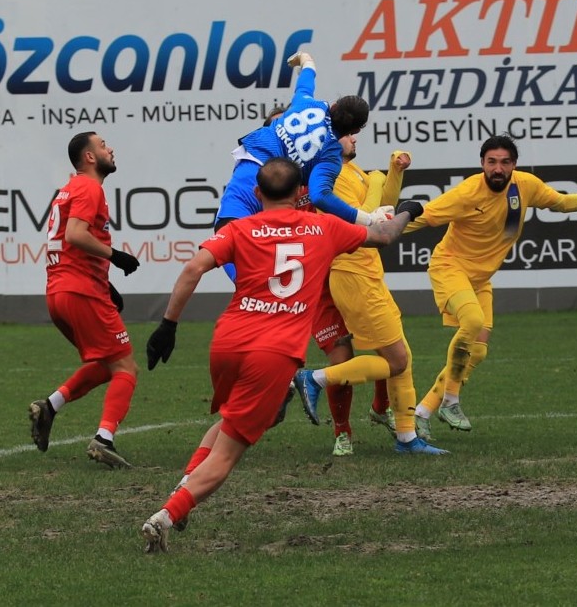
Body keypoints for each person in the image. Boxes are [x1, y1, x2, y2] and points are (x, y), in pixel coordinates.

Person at [138, 156, 422, 553]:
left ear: (257, 194)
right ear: (300, 193)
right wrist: (410, 209)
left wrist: (168, 325)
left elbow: (192, 269)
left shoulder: (239, 227)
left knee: (232, 420)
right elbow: (385, 235)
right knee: (229, 452)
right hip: (273, 352)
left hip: (228, 342)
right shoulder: (323, 226)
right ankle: (166, 515)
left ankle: (183, 493)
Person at [407, 135, 577, 440]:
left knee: (478, 352)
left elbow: (561, 203)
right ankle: (451, 401)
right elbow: (422, 217)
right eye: (492, 162)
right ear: (482, 163)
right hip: (449, 267)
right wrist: (369, 232)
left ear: (514, 165)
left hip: (480, 279)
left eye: (505, 162)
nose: (498, 168)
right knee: (472, 322)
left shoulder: (525, 186)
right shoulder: (468, 192)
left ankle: (422, 412)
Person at [291, 136, 448, 456]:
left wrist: (392, 172)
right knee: (397, 359)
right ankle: (315, 380)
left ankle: (405, 437)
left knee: (401, 355)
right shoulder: (328, 175)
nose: (354, 137)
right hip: (351, 274)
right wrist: (377, 182)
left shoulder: (356, 172)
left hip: (368, 273)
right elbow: (359, 220)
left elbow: (380, 206)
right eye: (348, 133)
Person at [212, 50, 378, 280]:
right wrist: (366, 219)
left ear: (334, 105)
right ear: (356, 130)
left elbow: (305, 81)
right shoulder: (331, 156)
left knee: (226, 232)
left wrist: (306, 59)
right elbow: (321, 195)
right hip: (282, 196)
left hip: (255, 167)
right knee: (271, 251)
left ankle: (250, 291)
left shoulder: (309, 105)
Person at [29, 131, 143, 469]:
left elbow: (70, 242)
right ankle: (103, 439)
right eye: (104, 145)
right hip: (79, 291)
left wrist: (105, 282)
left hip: (60, 293)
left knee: (108, 364)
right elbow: (76, 235)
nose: (111, 148)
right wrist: (117, 256)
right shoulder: (89, 187)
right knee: (126, 368)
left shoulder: (71, 188)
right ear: (90, 157)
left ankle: (49, 407)